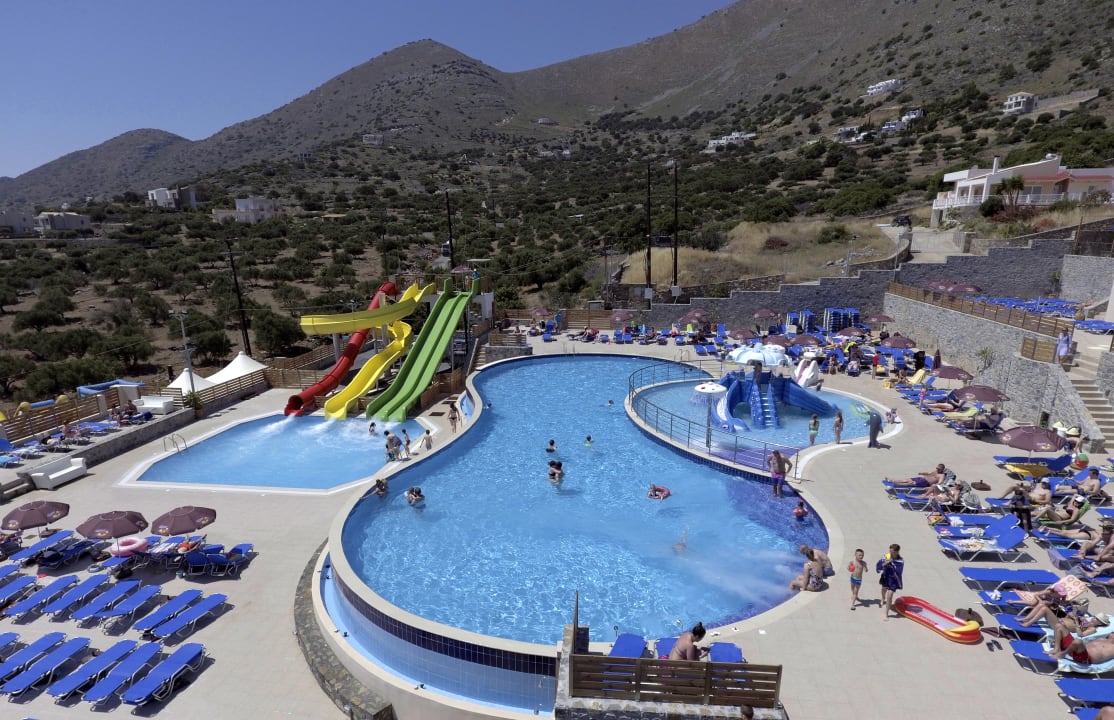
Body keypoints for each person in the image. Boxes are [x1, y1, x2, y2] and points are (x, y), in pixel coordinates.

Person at [877, 544, 904, 621]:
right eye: (890, 551)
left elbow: (899, 571)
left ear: (897, 552)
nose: (890, 553)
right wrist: (884, 564)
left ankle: (886, 614)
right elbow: (879, 565)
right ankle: (882, 598)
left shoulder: (900, 561)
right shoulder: (886, 556)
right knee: (883, 589)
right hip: (886, 577)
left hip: (893, 580)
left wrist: (892, 564)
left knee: (890, 596)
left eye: (892, 552)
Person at [886, 463, 952, 489]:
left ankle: (898, 484)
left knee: (911, 483)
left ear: (942, 469)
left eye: (938, 469)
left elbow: (940, 482)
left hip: (925, 483)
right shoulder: (936, 471)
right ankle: (892, 480)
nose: (937, 469)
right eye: (937, 468)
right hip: (922, 478)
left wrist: (935, 485)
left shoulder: (942, 475)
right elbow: (929, 473)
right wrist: (922, 473)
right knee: (907, 480)